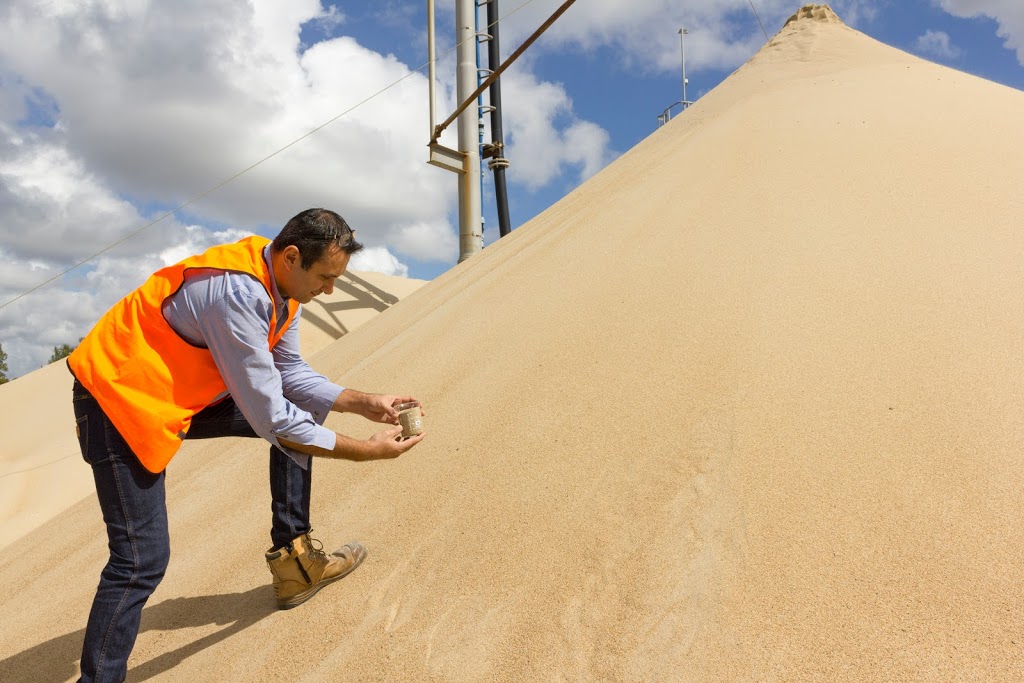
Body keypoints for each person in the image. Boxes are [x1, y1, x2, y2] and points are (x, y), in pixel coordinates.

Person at [67, 208, 424, 683]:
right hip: (117, 401)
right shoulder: (237, 293)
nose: (330, 290)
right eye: (324, 277)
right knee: (140, 560)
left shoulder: (284, 288)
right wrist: (366, 450)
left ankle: (296, 564)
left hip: (178, 396)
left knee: (305, 415)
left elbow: (290, 376)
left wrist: (360, 401)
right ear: (292, 256)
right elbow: (274, 417)